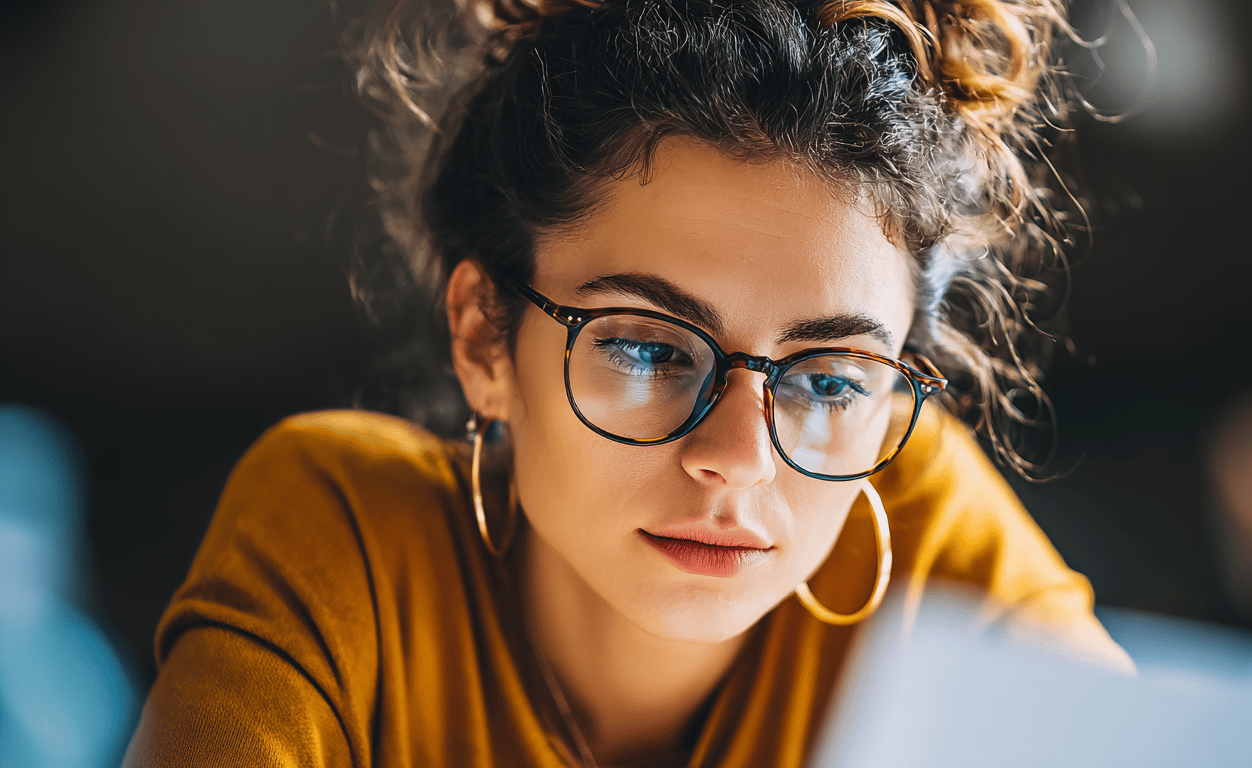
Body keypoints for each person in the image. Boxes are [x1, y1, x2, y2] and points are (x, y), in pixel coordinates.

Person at [125, 0, 1131, 764]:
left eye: (828, 379)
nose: (736, 462)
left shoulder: (914, 509)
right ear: (484, 338)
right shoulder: (341, 526)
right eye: (648, 349)